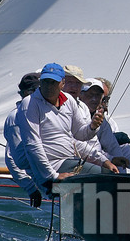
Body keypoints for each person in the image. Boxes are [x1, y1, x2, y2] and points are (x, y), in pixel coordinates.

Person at [22, 62, 119, 196]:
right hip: (50, 169)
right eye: (45, 81)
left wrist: (93, 127)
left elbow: (80, 134)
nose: (48, 86)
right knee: (111, 181)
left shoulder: (68, 100)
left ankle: (90, 214)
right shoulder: (29, 103)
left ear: (62, 83)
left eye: (53, 82)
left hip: (69, 162)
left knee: (111, 177)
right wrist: (53, 176)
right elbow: (33, 145)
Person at [80, 78, 130, 174]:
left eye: (99, 96)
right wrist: (110, 160)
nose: (95, 99)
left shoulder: (105, 121)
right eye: (91, 95)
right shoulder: (75, 115)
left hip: (101, 166)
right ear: (80, 95)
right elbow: (83, 148)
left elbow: (115, 148)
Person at [3, 72, 43, 207]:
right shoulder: (15, 117)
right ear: (24, 93)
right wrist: (31, 188)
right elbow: (12, 158)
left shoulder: (45, 111)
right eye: (35, 90)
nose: (39, 94)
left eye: (41, 90)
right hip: (42, 180)